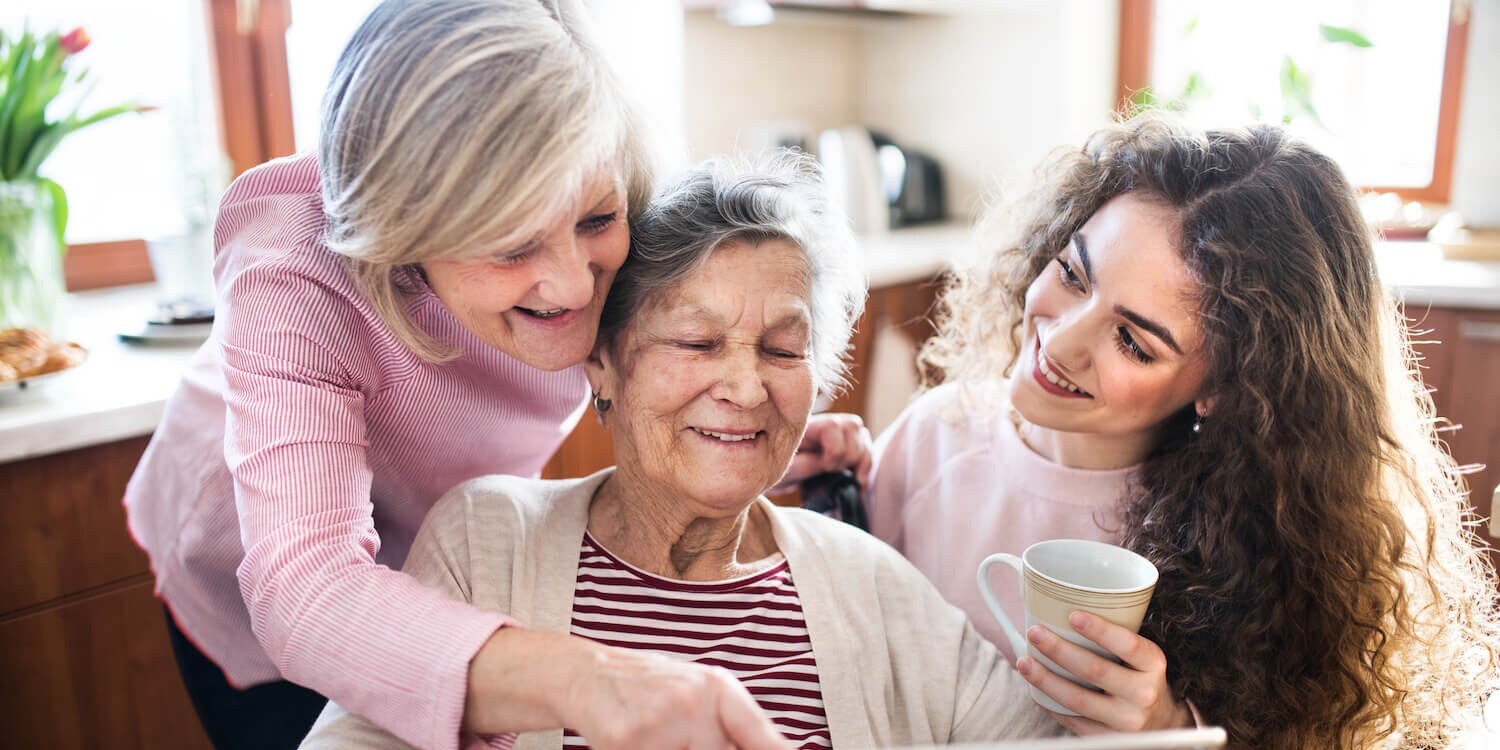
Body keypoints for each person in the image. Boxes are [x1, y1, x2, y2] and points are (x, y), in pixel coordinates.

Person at [122, 3, 867, 749]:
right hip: (256, 581)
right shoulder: (295, 259)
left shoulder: (617, 199)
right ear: (405, 232)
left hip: (442, 542)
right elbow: (306, 591)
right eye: (513, 246)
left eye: (594, 220)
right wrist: (591, 680)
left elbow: (659, 366)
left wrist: (729, 434)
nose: (575, 287)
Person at [299, 154, 1077, 749]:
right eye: (697, 342)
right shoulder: (487, 539)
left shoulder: (869, 584)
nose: (745, 386)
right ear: (602, 361)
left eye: (781, 349)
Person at [868, 114, 1500, 748]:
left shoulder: (1269, 540)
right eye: (1071, 273)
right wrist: (824, 493)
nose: (1059, 343)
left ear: (1225, 387)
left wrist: (1169, 728)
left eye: (1133, 342)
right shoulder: (933, 437)